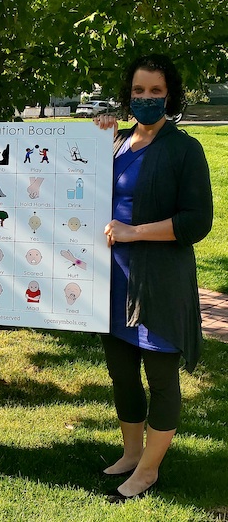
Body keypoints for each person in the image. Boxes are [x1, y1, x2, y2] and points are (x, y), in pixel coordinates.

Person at [95, 54, 212, 501]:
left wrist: (135, 232)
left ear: (170, 95)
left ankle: (148, 471)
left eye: (155, 91)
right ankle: (131, 453)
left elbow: (196, 222)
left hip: (159, 281)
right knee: (122, 374)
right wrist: (94, 136)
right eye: (139, 91)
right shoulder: (117, 143)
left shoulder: (184, 149)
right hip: (113, 281)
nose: (146, 98)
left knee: (161, 377)